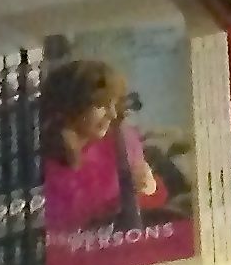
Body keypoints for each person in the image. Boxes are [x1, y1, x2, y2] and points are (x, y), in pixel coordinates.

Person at [41, 58, 166, 237]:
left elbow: (150, 206)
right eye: (101, 105)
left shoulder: (122, 141)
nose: (112, 114)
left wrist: (149, 187)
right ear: (70, 105)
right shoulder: (42, 160)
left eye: (113, 104)